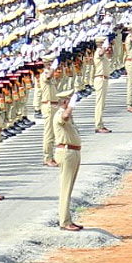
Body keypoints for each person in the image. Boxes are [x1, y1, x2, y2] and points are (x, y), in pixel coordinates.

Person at [53, 91, 83, 231]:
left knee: (69, 188)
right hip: (66, 152)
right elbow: (64, 116)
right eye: (70, 100)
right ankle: (64, 221)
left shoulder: (68, 115)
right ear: (65, 102)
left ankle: (68, 219)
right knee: (65, 188)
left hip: (73, 152)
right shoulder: (60, 114)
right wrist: (71, 106)